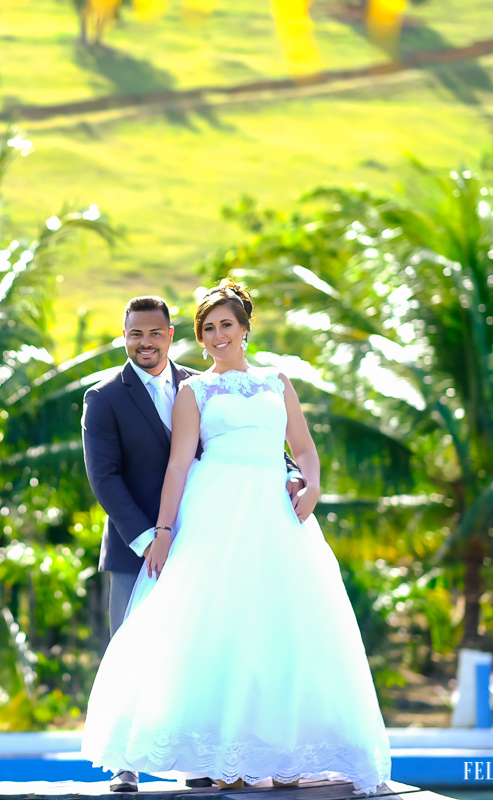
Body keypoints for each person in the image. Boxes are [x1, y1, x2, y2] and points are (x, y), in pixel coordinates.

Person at [80, 280, 391, 794]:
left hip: (274, 519)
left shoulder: (276, 381)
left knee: (279, 628)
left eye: (227, 325)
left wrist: (308, 485)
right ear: (198, 339)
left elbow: (301, 450)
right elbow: (160, 469)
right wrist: (157, 532)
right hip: (202, 518)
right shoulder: (179, 390)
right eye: (211, 328)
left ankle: (277, 752)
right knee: (187, 630)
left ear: (245, 328)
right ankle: (141, 762)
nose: (219, 334)